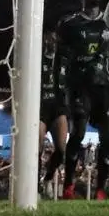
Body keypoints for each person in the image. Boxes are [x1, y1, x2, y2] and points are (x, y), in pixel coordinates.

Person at [47, 0, 109, 200]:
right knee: (78, 133)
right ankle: (68, 186)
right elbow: (59, 59)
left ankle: (100, 189)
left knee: (107, 137)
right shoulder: (70, 24)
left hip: (104, 87)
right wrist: (59, 88)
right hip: (79, 87)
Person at [38, 25, 69, 196]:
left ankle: (48, 178)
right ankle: (34, 186)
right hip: (40, 107)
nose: (51, 42)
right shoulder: (37, 59)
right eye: (48, 38)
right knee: (37, 147)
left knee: (61, 149)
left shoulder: (63, 60)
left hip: (58, 107)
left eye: (54, 39)